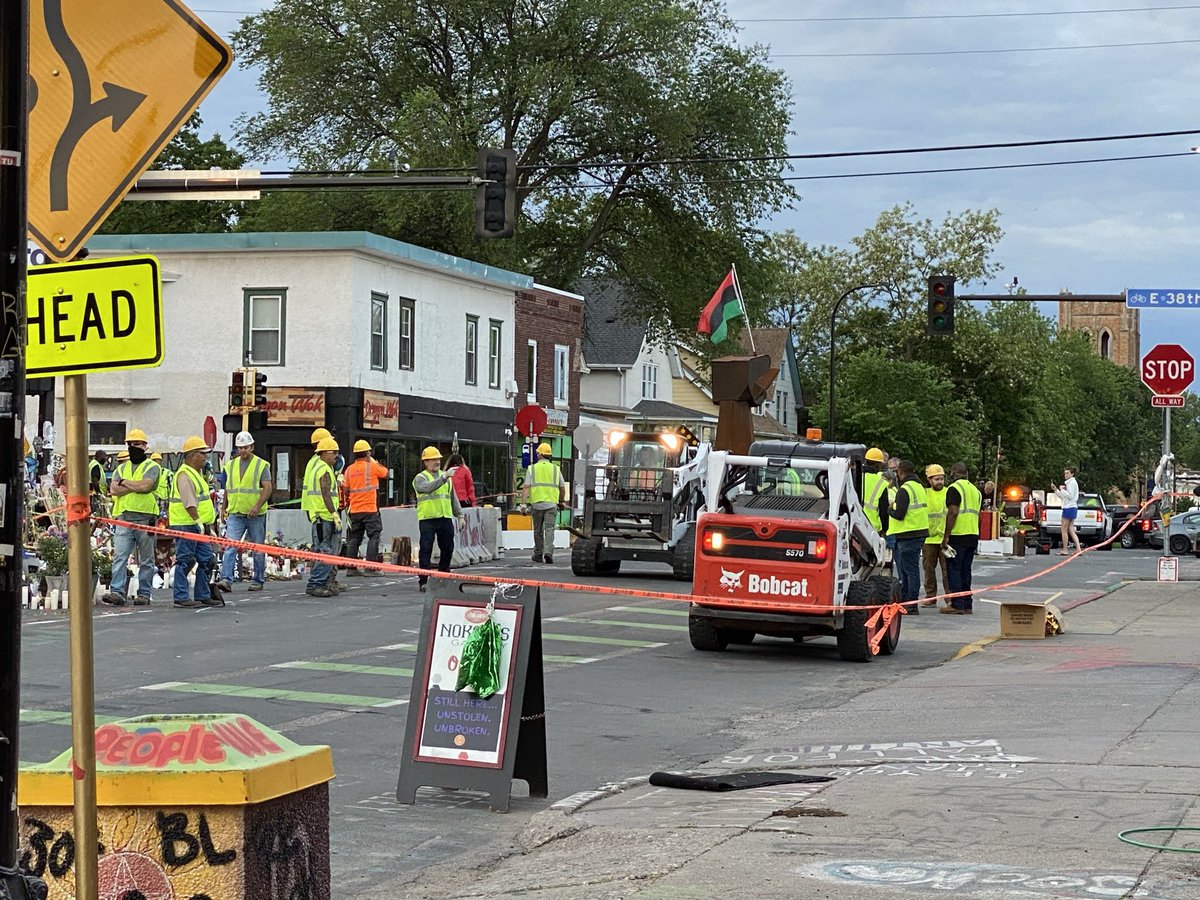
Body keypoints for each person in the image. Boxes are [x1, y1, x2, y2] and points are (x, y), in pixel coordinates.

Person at [103, 429, 161, 606]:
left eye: (136, 444)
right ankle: (117, 592)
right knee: (120, 556)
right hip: (124, 518)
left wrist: (124, 483)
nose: (132, 447)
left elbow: (146, 485)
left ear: (144, 446)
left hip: (146, 518)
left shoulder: (152, 467)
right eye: (129, 444)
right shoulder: (121, 467)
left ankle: (144, 594)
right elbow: (114, 489)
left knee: (146, 559)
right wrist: (133, 485)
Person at [168, 436, 222, 609]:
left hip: (197, 525)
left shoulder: (196, 474)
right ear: (192, 455)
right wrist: (198, 521)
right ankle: (181, 596)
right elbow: (189, 502)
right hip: (187, 524)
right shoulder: (185, 475)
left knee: (208, 560)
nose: (206, 457)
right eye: (202, 454)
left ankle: (202, 594)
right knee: (186, 560)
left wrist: (206, 525)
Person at [218, 431, 273, 593]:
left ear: (252, 447)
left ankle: (258, 580)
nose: (243, 451)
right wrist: (223, 507)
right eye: (240, 448)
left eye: (246, 447)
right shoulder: (230, 466)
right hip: (236, 512)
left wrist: (257, 506)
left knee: (257, 548)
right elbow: (228, 488)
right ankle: (226, 580)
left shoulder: (261, 465)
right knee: (230, 546)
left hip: (255, 514)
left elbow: (267, 487)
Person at [413, 446, 463, 592]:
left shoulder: (446, 477)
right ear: (425, 462)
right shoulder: (420, 478)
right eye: (433, 459)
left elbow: (453, 498)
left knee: (447, 548)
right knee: (426, 550)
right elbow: (428, 488)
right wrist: (443, 477)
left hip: (444, 518)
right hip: (428, 518)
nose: (437, 462)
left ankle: (443, 576)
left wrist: (459, 515)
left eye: (438, 459)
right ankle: (424, 581)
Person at [886, 459, 928, 614]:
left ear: (901, 472)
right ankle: (907, 600)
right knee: (910, 569)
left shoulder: (905, 489)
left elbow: (899, 514)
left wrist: (889, 510)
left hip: (908, 533)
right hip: (918, 531)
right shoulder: (919, 487)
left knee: (909, 570)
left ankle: (910, 602)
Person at [342, 439, 388, 574]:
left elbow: (345, 490)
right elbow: (386, 473)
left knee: (355, 538)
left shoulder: (349, 470)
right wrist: (373, 461)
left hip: (355, 510)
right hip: (370, 510)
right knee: (374, 536)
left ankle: (351, 568)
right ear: (368, 453)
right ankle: (371, 568)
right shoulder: (372, 466)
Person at [942, 462, 982, 615]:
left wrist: (946, 536)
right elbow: (978, 515)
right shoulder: (975, 490)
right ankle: (967, 604)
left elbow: (953, 512)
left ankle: (957, 604)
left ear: (953, 472)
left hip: (958, 535)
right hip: (972, 534)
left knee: (954, 569)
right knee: (966, 570)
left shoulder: (954, 489)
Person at [304, 437, 341, 598]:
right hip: (324, 516)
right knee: (326, 552)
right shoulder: (323, 470)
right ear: (325, 453)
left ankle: (323, 582)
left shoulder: (318, 467)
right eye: (334, 453)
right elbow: (325, 493)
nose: (337, 456)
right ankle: (315, 584)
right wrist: (334, 513)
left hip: (319, 515)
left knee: (322, 551)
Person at [523, 442, 567, 564]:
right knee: (549, 529)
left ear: (540, 455)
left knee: (537, 530)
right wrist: (561, 501)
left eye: (537, 453)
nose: (537, 455)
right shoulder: (556, 469)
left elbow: (526, 487)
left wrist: (523, 504)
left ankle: (538, 554)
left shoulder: (532, 469)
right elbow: (562, 488)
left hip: (536, 504)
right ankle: (548, 552)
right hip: (551, 504)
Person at [920, 464, 949, 607]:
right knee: (928, 570)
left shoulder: (949, 492)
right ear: (929, 480)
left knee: (947, 571)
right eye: (936, 479)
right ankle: (930, 596)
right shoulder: (924, 493)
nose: (939, 482)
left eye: (941, 479)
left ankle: (950, 598)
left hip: (945, 538)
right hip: (929, 538)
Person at [862, 448, 890, 536]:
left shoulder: (856, 476)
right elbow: (883, 510)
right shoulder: (881, 483)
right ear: (878, 465)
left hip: (855, 523)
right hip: (872, 527)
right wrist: (885, 529)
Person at [1055, 466, 1082, 555]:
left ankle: (1065, 549)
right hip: (1071, 507)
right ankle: (1078, 548)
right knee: (1071, 529)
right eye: (1065, 473)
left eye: (1067, 473)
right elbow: (1064, 497)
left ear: (1072, 474)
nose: (1065, 475)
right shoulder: (1069, 483)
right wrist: (1056, 490)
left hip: (1069, 507)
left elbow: (1070, 496)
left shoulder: (1072, 483)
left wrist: (1062, 489)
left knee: (1063, 528)